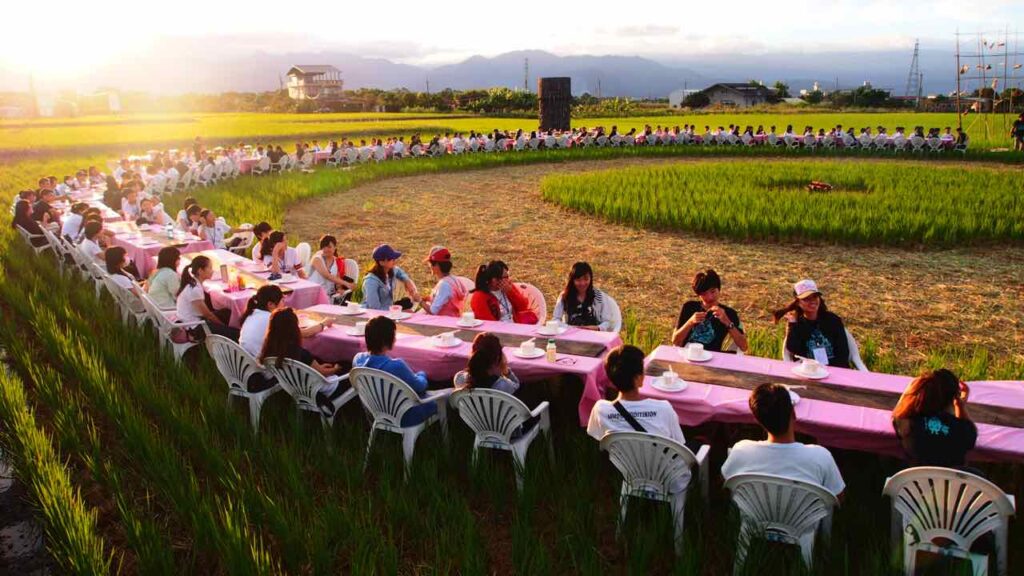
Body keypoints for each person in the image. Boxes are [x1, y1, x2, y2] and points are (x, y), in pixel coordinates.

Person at [721, 383, 846, 499]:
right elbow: (837, 498)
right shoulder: (821, 457)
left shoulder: (741, 451)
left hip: (753, 522)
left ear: (758, 421)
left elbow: (725, 481)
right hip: (804, 523)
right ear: (794, 414)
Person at [352, 316, 437, 426]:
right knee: (444, 396)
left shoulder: (358, 359)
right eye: (394, 335)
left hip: (376, 411)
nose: (395, 339)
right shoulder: (396, 366)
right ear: (386, 340)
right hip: (405, 416)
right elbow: (420, 386)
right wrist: (422, 374)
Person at [259, 307, 345, 411]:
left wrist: (318, 367)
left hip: (294, 387)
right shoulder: (300, 353)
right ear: (294, 329)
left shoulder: (270, 350)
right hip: (319, 390)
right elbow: (322, 373)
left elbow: (315, 369)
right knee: (347, 368)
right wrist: (336, 368)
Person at [892, 368, 977, 469]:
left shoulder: (907, 423)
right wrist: (960, 405)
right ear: (954, 397)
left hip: (916, 482)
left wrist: (912, 387)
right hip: (950, 483)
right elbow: (971, 433)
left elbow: (899, 410)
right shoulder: (963, 429)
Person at [773, 279, 850, 369]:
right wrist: (792, 325)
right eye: (806, 299)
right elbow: (794, 350)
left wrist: (832, 371)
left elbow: (843, 351)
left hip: (836, 370)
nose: (812, 301)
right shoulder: (797, 323)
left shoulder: (833, 320)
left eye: (815, 297)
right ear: (798, 302)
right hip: (810, 370)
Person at [240, 285, 330, 358]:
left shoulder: (252, 313)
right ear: (270, 304)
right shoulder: (271, 319)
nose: (284, 304)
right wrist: (324, 323)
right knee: (298, 350)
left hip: (248, 360)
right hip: (264, 366)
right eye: (282, 301)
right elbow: (305, 333)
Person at [671, 269, 747, 352]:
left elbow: (743, 346)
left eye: (713, 292)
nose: (709, 297)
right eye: (704, 294)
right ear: (699, 294)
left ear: (719, 289)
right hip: (688, 354)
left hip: (713, 358)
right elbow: (675, 341)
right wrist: (690, 322)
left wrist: (727, 322)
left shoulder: (729, 313)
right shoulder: (689, 307)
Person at [175, 255, 239, 340]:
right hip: (194, 328)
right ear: (200, 271)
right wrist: (222, 326)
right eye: (210, 268)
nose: (212, 271)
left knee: (227, 312)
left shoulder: (193, 283)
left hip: (195, 320)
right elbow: (208, 315)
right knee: (236, 334)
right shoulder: (194, 289)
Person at [551, 262, 618, 331]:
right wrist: (569, 327)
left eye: (586, 279)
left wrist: (597, 328)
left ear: (590, 279)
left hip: (594, 335)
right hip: (571, 335)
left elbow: (607, 322)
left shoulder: (600, 296)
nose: (582, 283)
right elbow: (555, 319)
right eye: (578, 280)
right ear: (572, 280)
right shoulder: (565, 296)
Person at [469, 260, 536, 324]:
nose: (508, 279)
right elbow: (488, 323)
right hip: (497, 331)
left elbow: (523, 307)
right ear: (494, 279)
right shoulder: (479, 296)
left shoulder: (508, 287)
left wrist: (510, 292)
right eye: (505, 277)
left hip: (515, 325)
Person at [453, 332, 521, 395]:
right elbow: (516, 385)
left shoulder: (459, 378)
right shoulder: (503, 386)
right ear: (497, 359)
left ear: (473, 354)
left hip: (467, 408)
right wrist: (506, 371)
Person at [361, 244, 419, 311]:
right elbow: (375, 309)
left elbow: (399, 271)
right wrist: (400, 312)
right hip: (372, 316)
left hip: (389, 313)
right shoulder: (371, 282)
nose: (394, 260)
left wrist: (407, 281)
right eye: (391, 259)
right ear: (381, 262)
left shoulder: (389, 271)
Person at [420, 246, 467, 317]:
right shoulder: (454, 279)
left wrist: (419, 301)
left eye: (430, 263)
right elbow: (447, 299)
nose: (429, 266)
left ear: (436, 265)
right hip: (454, 318)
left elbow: (433, 311)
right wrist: (429, 299)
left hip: (444, 323)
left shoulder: (444, 285)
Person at [309, 235, 354, 302]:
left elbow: (337, 281)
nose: (326, 249)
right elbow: (327, 276)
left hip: (327, 296)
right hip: (312, 293)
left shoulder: (338, 262)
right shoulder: (317, 259)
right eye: (324, 247)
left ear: (335, 247)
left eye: (329, 247)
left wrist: (339, 289)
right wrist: (346, 283)